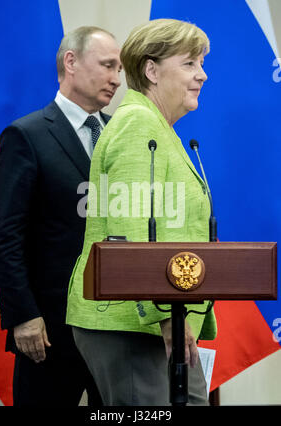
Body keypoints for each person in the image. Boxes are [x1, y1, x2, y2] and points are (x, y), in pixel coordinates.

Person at [66, 19, 217, 406]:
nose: (202, 74)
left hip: (164, 317)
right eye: (189, 64)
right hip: (135, 322)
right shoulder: (138, 125)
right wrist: (165, 315)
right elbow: (127, 234)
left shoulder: (160, 128)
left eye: (201, 63)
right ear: (151, 70)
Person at [0, 26, 121, 407]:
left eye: (120, 70)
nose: (116, 78)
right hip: (48, 331)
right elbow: (5, 236)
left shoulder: (121, 134)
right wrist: (23, 315)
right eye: (108, 65)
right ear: (71, 62)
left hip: (116, 328)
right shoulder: (26, 135)